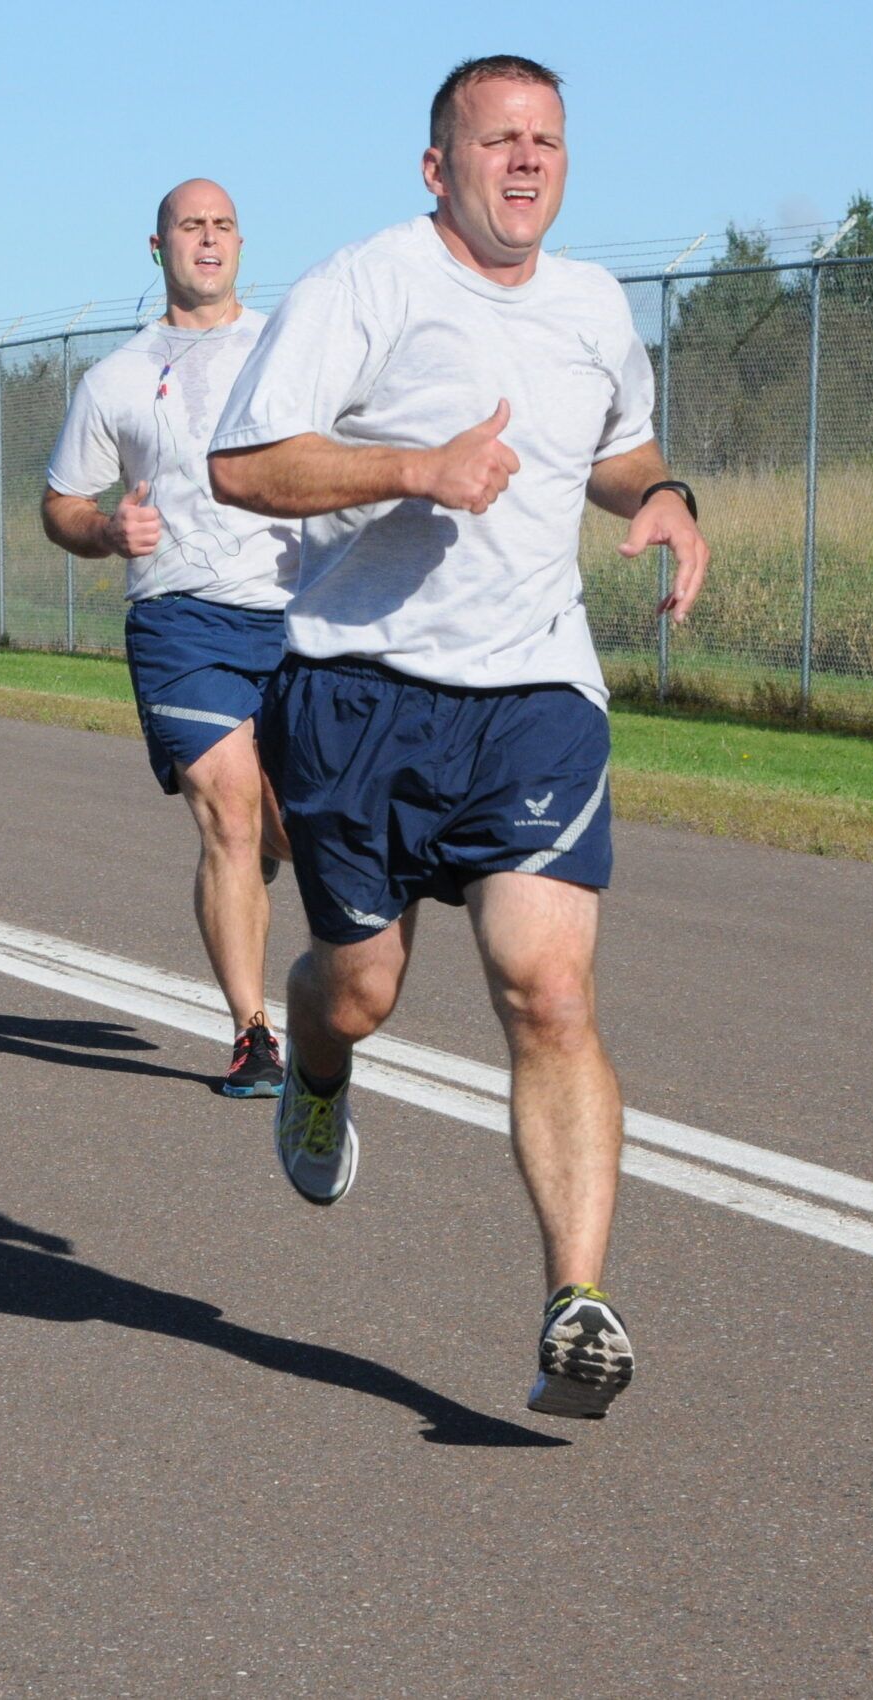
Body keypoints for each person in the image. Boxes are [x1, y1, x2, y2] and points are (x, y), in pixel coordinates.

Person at [208, 54, 713, 1420]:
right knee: (361, 987)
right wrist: (415, 467)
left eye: (546, 139)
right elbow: (244, 465)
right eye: (497, 140)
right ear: (440, 166)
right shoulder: (366, 286)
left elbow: (611, 443)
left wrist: (656, 495)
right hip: (359, 696)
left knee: (547, 990)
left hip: (534, 697)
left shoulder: (595, 304)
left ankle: (576, 1305)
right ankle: (317, 1065)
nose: (526, 160)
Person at [41, 179, 301, 1097]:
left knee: (287, 827)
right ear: (157, 247)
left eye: (224, 224)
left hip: (295, 614)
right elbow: (61, 504)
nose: (209, 239)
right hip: (180, 621)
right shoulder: (114, 377)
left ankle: (260, 870)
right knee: (229, 815)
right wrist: (107, 531)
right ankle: (253, 1033)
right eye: (190, 226)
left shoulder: (289, 349)